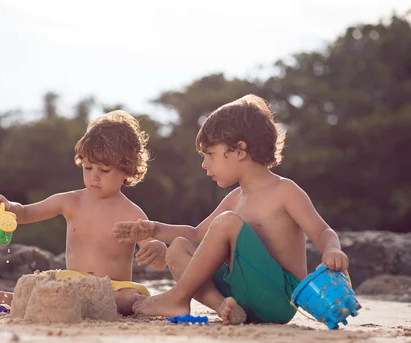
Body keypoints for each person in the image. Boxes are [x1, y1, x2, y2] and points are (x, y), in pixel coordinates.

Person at [113, 94, 349, 324]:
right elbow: (196, 235)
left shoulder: (284, 191)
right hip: (242, 296)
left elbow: (321, 231)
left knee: (227, 222)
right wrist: (153, 229)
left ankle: (177, 297)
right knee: (177, 249)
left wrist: (332, 250)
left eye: (210, 154)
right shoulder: (234, 198)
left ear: (239, 150)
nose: (205, 164)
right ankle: (224, 307)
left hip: (279, 299)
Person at [0, 110, 167, 315]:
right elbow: (26, 213)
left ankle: (62, 303)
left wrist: (158, 251)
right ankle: (42, 299)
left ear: (128, 170)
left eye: (104, 170)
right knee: (38, 282)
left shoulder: (131, 213)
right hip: (71, 282)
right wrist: (6, 207)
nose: (94, 177)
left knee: (130, 298)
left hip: (111, 288)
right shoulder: (70, 201)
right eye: (88, 168)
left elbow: (158, 258)